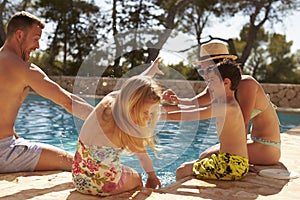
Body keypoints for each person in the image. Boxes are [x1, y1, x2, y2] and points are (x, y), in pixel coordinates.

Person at [0, 11, 94, 173]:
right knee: (77, 164)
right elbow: (68, 101)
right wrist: (108, 121)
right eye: (36, 39)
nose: (38, 46)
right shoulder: (24, 69)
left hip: (6, 145)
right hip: (4, 153)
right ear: (20, 35)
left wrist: (15, 137)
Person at [163, 42, 280, 165]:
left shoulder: (246, 84)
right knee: (204, 156)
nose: (205, 74)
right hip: (252, 141)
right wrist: (176, 100)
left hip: (267, 147)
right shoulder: (217, 84)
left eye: (207, 69)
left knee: (205, 158)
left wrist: (241, 161)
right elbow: (195, 103)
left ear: (219, 65)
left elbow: (243, 124)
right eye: (203, 70)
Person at [72, 57, 163, 196]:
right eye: (145, 112)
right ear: (132, 105)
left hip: (79, 179)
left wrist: (151, 71)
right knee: (137, 177)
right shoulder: (131, 128)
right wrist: (152, 177)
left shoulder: (109, 101)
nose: (148, 117)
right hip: (105, 186)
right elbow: (144, 159)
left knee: (117, 168)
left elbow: (129, 89)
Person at [163, 59, 249, 181]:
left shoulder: (225, 106)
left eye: (212, 81)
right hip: (236, 163)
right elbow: (195, 106)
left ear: (226, 82)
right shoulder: (228, 103)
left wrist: (159, 116)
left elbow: (190, 115)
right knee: (201, 159)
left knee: (182, 170)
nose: (209, 86)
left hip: (231, 165)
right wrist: (176, 103)